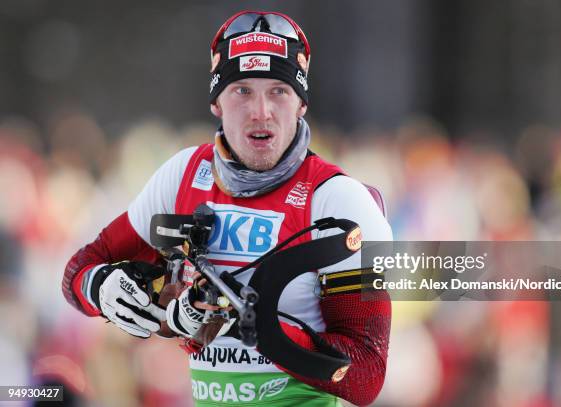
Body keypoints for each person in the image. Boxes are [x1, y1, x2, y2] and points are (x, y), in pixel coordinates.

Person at [62, 10, 392, 406]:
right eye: (242, 91)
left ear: (301, 104)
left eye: (279, 91)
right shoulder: (184, 175)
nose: (261, 112)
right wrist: (101, 287)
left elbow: (366, 375)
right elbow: (79, 270)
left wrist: (256, 324)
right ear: (216, 103)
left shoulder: (339, 200)